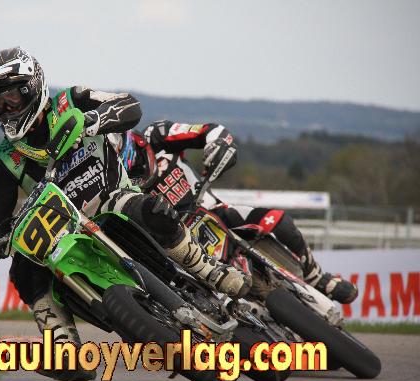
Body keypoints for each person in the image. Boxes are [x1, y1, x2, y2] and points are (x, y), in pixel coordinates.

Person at [0, 48, 250, 381]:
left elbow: (129, 105)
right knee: (23, 265)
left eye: (11, 98)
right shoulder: (4, 159)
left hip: (114, 200)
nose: (6, 109)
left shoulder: (72, 100)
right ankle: (62, 345)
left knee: (149, 209)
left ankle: (206, 267)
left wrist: (92, 121)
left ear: (32, 88)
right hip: (67, 233)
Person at [116, 121, 358, 304]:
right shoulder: (115, 181)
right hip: (177, 243)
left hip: (214, 211)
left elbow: (209, 130)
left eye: (138, 168)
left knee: (279, 221)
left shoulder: (157, 134)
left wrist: (217, 144)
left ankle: (316, 276)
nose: (139, 176)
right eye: (132, 175)